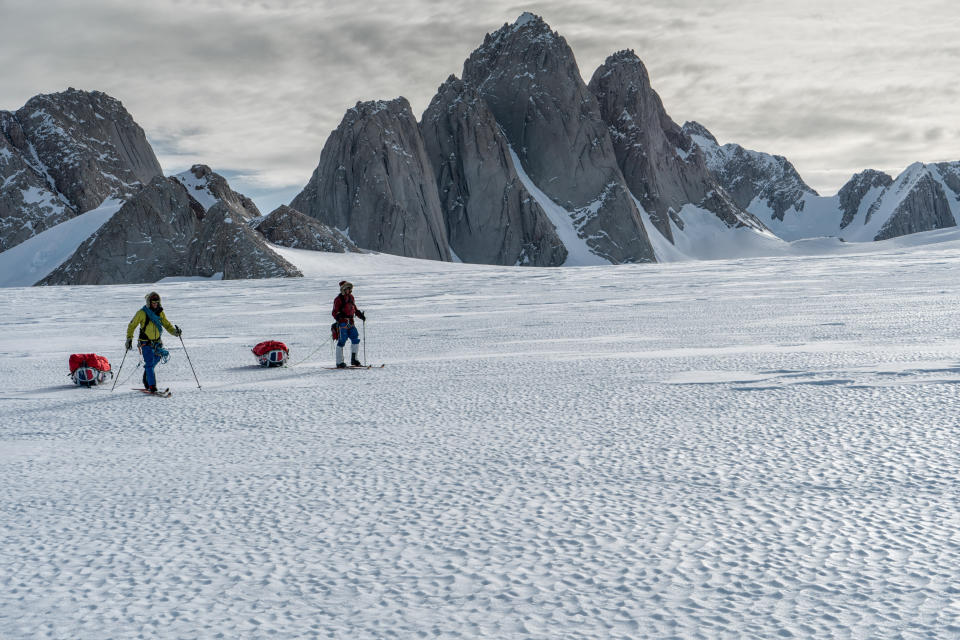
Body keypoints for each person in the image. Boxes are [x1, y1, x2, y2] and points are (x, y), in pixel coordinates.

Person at [126, 291, 181, 393]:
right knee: (150, 363)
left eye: (157, 301)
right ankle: (152, 386)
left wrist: (175, 332)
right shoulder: (142, 313)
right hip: (145, 342)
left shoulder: (160, 312)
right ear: (149, 302)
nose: (155, 304)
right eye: (153, 302)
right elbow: (132, 325)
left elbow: (167, 324)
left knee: (157, 358)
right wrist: (129, 339)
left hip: (157, 343)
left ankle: (147, 373)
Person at [332, 280, 366, 368]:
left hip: (350, 322)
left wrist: (360, 315)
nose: (348, 289)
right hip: (342, 323)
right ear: (343, 289)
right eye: (346, 288)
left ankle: (354, 360)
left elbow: (355, 309)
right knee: (342, 341)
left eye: (349, 288)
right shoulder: (338, 299)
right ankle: (339, 362)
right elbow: (334, 312)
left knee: (355, 338)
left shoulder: (351, 297)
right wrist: (339, 316)